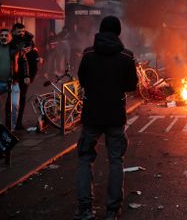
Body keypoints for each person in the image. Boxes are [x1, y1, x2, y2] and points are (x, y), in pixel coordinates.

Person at [75, 16, 138, 220]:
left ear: (100, 31)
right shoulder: (126, 56)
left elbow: (82, 80)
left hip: (92, 114)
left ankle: (85, 209)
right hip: (115, 116)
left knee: (85, 159)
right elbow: (131, 86)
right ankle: (112, 210)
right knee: (115, 161)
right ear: (118, 32)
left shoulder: (88, 53)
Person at [11, 23, 39, 131]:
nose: (21, 33)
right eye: (19, 31)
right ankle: (12, 123)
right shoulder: (10, 41)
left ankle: (18, 122)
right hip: (13, 74)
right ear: (14, 31)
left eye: (23, 31)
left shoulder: (29, 40)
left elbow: (35, 52)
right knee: (12, 101)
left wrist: (36, 58)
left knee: (22, 98)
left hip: (26, 73)